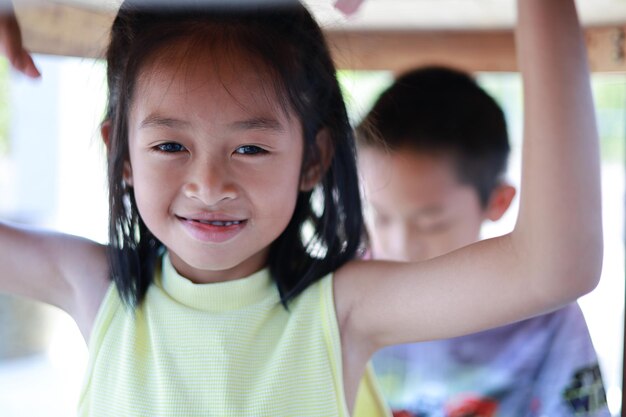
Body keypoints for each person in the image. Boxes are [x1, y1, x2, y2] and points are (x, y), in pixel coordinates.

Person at [0, 0, 603, 416]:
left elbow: (555, 267)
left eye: (252, 147)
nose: (209, 184)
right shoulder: (94, 288)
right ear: (122, 155)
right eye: (169, 145)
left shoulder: (340, 310)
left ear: (313, 160)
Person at [356, 66, 609, 417]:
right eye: (380, 216)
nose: (399, 246)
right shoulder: (345, 294)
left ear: (498, 202)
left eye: (431, 223)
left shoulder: (544, 310)